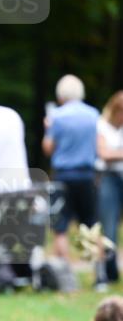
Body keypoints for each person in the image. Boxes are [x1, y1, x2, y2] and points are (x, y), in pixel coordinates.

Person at [42, 74, 105, 287]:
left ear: (61, 94)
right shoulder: (93, 114)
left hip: (63, 176)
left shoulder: (57, 116)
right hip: (87, 175)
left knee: (60, 227)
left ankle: (67, 278)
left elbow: (48, 148)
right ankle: (100, 277)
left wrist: (47, 127)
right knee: (91, 225)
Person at [95, 91, 123, 283]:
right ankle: (108, 272)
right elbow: (104, 153)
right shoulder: (101, 125)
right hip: (108, 178)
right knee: (109, 226)